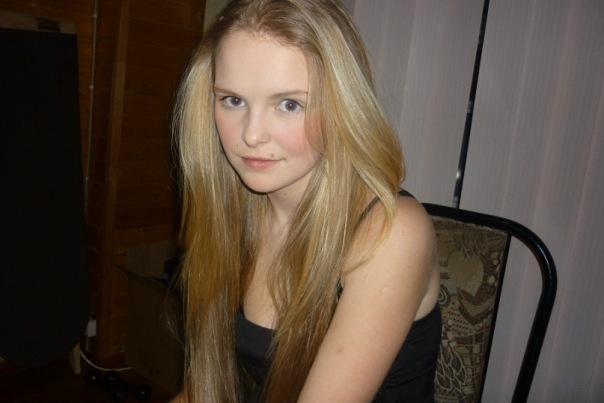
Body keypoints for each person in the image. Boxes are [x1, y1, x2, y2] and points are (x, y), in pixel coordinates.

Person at [172, 0, 441, 401]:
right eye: (233, 100)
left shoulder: (389, 233)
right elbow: (203, 390)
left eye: (289, 104)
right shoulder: (235, 211)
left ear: (341, 106)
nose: (251, 135)